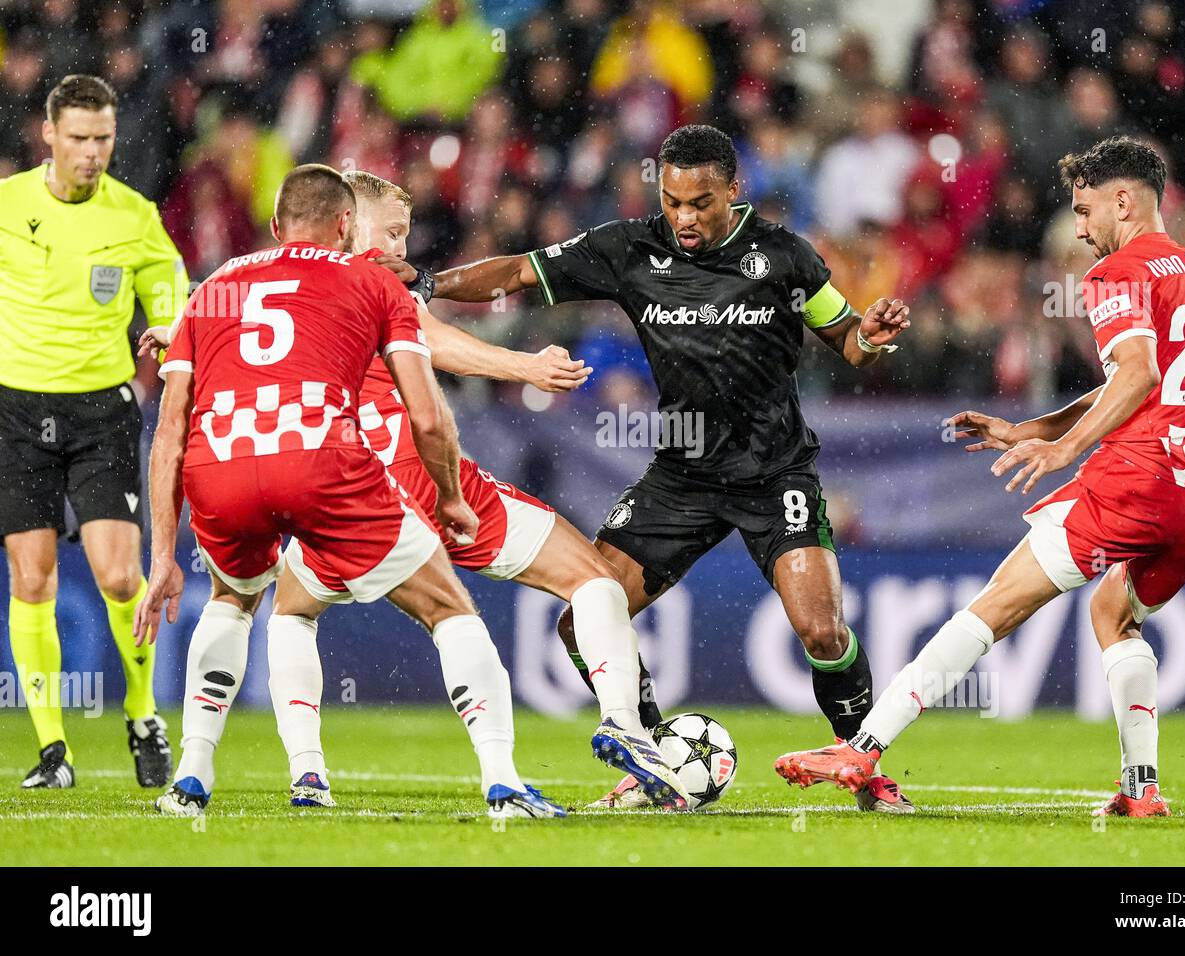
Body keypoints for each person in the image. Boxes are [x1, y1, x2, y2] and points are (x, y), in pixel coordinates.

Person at [400, 124, 916, 812]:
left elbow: (847, 340)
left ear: (735, 190)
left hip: (776, 474)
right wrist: (431, 283)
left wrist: (871, 338)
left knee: (823, 631)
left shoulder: (785, 256)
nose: (685, 218)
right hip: (680, 478)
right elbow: (521, 270)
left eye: (700, 203)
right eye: (672, 201)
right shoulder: (628, 248)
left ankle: (865, 768)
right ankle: (650, 757)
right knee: (583, 620)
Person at [141, 168, 693, 810]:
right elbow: (432, 352)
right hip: (391, 476)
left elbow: (213, 357)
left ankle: (297, 772)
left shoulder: (239, 280)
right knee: (581, 580)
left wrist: (179, 329)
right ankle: (585, 738)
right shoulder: (364, 278)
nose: (401, 249)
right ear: (347, 224)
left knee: (280, 609)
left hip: (280, 477)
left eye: (405, 235)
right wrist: (524, 366)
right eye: (392, 232)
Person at [774, 137, 1185, 818]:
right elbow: (1147, 382)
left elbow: (1136, 372)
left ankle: (863, 748)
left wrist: (1067, 449)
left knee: (994, 603)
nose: (1080, 230)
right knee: (1114, 612)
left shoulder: (1116, 274)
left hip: (1143, 478)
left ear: (1123, 200)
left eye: (1085, 212)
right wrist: (1035, 429)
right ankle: (1141, 790)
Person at [0, 74, 188, 789]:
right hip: (15, 412)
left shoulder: (134, 217)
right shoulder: (7, 204)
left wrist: (170, 332)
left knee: (117, 576)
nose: (91, 152)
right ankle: (53, 750)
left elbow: (171, 298)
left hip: (101, 411)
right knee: (32, 577)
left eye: (102, 138)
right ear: (47, 134)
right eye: (77, 138)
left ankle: (142, 712)